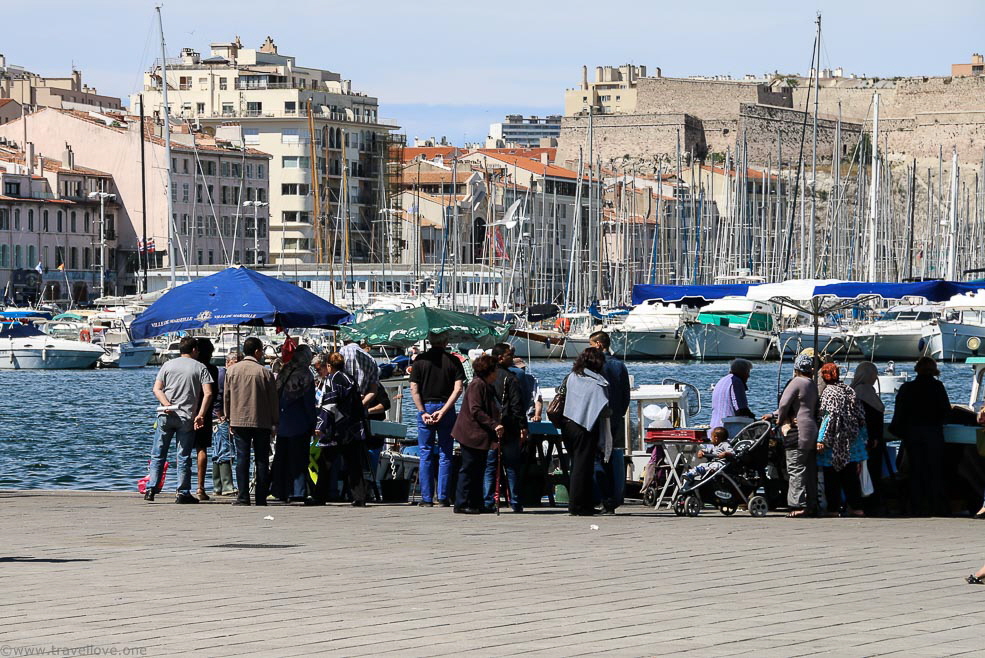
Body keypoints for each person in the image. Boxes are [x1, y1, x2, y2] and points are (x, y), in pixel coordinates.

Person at [145, 335, 215, 504]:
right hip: (186, 416)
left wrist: (167, 404)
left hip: (165, 414)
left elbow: (157, 389)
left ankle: (151, 488)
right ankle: (182, 492)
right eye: (197, 349)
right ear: (193, 350)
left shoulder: (167, 365)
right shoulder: (200, 367)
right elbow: (208, 393)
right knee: (183, 455)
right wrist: (201, 414)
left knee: (158, 453)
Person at [409, 334, 466, 507]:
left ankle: (426, 498)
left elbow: (414, 388)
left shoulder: (419, 360)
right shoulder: (453, 361)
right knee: (445, 453)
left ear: (429, 341)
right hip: (446, 408)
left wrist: (422, 411)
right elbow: (458, 389)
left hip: (425, 406)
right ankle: (442, 496)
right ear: (445, 342)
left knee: (425, 452)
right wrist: (443, 410)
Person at [889, 356, 951, 516]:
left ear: (917, 369)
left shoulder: (907, 388)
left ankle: (916, 506)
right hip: (933, 433)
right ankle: (936, 506)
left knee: (915, 471)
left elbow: (899, 415)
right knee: (935, 471)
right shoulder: (938, 387)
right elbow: (946, 412)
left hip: (912, 434)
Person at [224, 336, 279, 507]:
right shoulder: (265, 372)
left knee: (242, 458)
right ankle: (261, 497)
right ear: (256, 351)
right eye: (262, 350)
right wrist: (274, 422)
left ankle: (243, 496)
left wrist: (228, 417)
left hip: (239, 420)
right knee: (261, 459)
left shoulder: (232, 371)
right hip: (261, 421)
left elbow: (227, 397)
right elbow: (273, 400)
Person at [311, 352, 369, 506]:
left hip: (336, 429)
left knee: (325, 463)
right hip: (353, 427)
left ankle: (319, 496)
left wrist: (321, 425)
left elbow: (330, 405)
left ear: (329, 366)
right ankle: (360, 497)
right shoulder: (350, 379)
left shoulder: (332, 380)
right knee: (353, 464)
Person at [766, 353, 819, 518]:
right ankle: (811, 503)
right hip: (811, 429)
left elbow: (784, 403)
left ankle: (797, 504)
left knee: (795, 468)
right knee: (809, 469)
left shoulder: (796, 382)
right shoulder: (812, 384)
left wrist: (779, 419)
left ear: (796, 368)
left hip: (798, 431)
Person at [560, 347, 611, 516]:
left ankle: (581, 503)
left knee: (576, 465)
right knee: (583, 467)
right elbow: (603, 409)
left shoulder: (573, 377)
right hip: (585, 427)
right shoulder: (598, 383)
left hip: (568, 423)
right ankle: (577, 506)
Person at [452, 354, 504, 514]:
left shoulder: (486, 385)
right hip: (470, 433)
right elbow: (475, 410)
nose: (497, 373)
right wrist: (494, 424)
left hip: (480, 435)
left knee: (478, 469)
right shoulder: (477, 385)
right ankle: (462, 503)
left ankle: (476, 502)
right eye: (495, 369)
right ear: (489, 370)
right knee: (468, 468)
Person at [816, 363, 867, 517]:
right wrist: (864, 437)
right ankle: (856, 507)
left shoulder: (829, 392)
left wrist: (821, 439)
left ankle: (833, 508)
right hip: (852, 439)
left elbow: (828, 417)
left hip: (834, 440)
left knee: (832, 475)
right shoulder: (849, 390)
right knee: (851, 475)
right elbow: (860, 415)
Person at [482, 344, 528, 513]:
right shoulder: (511, 378)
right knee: (512, 465)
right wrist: (523, 426)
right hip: (509, 425)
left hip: (490, 425)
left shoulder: (486, 378)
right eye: (510, 355)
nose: (513, 358)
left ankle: (488, 500)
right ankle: (515, 500)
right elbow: (517, 406)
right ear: (500, 357)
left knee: (490, 465)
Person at [590, 330, 631, 514]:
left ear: (598, 344)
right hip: (615, 417)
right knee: (611, 456)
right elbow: (625, 394)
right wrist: (619, 413)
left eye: (591, 344)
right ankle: (613, 497)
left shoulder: (597, 365)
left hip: (599, 417)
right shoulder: (619, 365)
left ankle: (602, 498)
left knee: (597, 458)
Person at [270, 344, 317, 503]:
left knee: (281, 457)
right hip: (299, 422)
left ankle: (280, 490)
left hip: (282, 421)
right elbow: (308, 402)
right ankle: (298, 491)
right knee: (298, 458)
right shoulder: (305, 374)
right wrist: (313, 422)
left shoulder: (285, 370)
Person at [851, 361, 887, 514]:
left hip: (859, 441)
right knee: (871, 473)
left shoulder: (853, 391)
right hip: (870, 441)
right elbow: (871, 418)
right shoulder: (866, 392)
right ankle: (871, 503)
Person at [191, 338, 220, 501]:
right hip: (205, 412)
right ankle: (200, 487)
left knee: (184, 449)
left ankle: (183, 485)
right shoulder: (212, 369)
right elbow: (213, 392)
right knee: (202, 449)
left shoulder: (191, 368)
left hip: (187, 410)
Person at [211, 352, 239, 497]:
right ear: (229, 362)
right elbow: (220, 397)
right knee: (225, 449)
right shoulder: (224, 375)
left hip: (217, 417)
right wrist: (221, 415)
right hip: (220, 417)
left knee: (218, 450)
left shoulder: (223, 374)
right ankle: (227, 485)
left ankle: (218, 486)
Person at [710, 359, 755, 434]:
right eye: (748, 372)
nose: (748, 376)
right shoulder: (736, 382)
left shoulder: (722, 380)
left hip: (715, 426)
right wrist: (755, 420)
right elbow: (741, 409)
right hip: (728, 429)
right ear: (743, 372)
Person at [339, 339, 380, 409]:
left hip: (341, 407)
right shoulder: (371, 359)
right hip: (360, 409)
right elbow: (373, 390)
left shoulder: (341, 352)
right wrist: (360, 405)